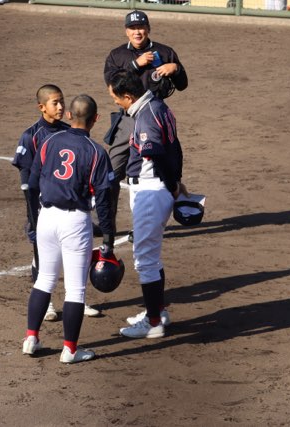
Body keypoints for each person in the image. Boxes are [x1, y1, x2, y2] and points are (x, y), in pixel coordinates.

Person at [21, 94, 116, 363]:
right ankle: (70, 350)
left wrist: (35, 220)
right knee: (75, 290)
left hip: (46, 217)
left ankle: (31, 338)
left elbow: (33, 183)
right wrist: (108, 237)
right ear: (96, 119)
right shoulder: (97, 152)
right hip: (75, 222)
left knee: (44, 280)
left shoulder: (49, 141)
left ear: (70, 115)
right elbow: (104, 201)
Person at [107, 70, 188, 339]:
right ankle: (158, 312)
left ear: (129, 96)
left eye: (116, 98)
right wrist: (176, 180)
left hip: (151, 190)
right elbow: (176, 148)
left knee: (145, 260)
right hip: (153, 187)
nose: (115, 102)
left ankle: (153, 323)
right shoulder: (157, 106)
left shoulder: (146, 116)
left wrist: (172, 183)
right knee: (151, 256)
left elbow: (157, 153)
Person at [12, 85, 100, 322]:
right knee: (41, 257)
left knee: (76, 256)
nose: (60, 107)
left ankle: (77, 300)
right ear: (42, 107)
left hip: (70, 206)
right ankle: (48, 304)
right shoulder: (31, 136)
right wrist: (33, 218)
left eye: (62, 101)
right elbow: (27, 185)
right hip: (44, 208)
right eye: (55, 103)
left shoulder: (67, 132)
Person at [102, 10, 187, 241]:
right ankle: (106, 223)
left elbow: (182, 85)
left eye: (141, 27)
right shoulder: (117, 55)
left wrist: (176, 69)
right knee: (112, 172)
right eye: (132, 28)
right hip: (128, 119)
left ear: (148, 28)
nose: (137, 32)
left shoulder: (165, 52)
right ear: (126, 31)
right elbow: (111, 84)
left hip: (155, 117)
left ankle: (151, 222)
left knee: (159, 169)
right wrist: (135, 65)